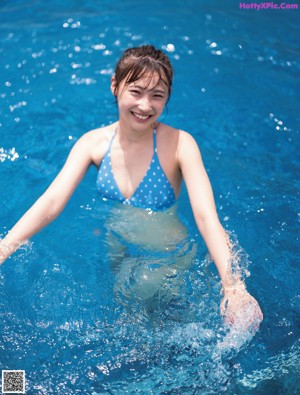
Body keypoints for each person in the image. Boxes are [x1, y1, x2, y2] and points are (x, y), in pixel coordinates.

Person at [0, 45, 263, 326]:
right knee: (141, 325)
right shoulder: (93, 144)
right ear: (115, 86)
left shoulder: (179, 145)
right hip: (118, 252)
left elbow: (206, 216)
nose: (145, 105)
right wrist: (4, 248)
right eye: (136, 92)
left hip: (166, 256)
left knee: (141, 307)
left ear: (167, 99)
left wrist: (234, 286)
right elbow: (52, 202)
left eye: (157, 96)